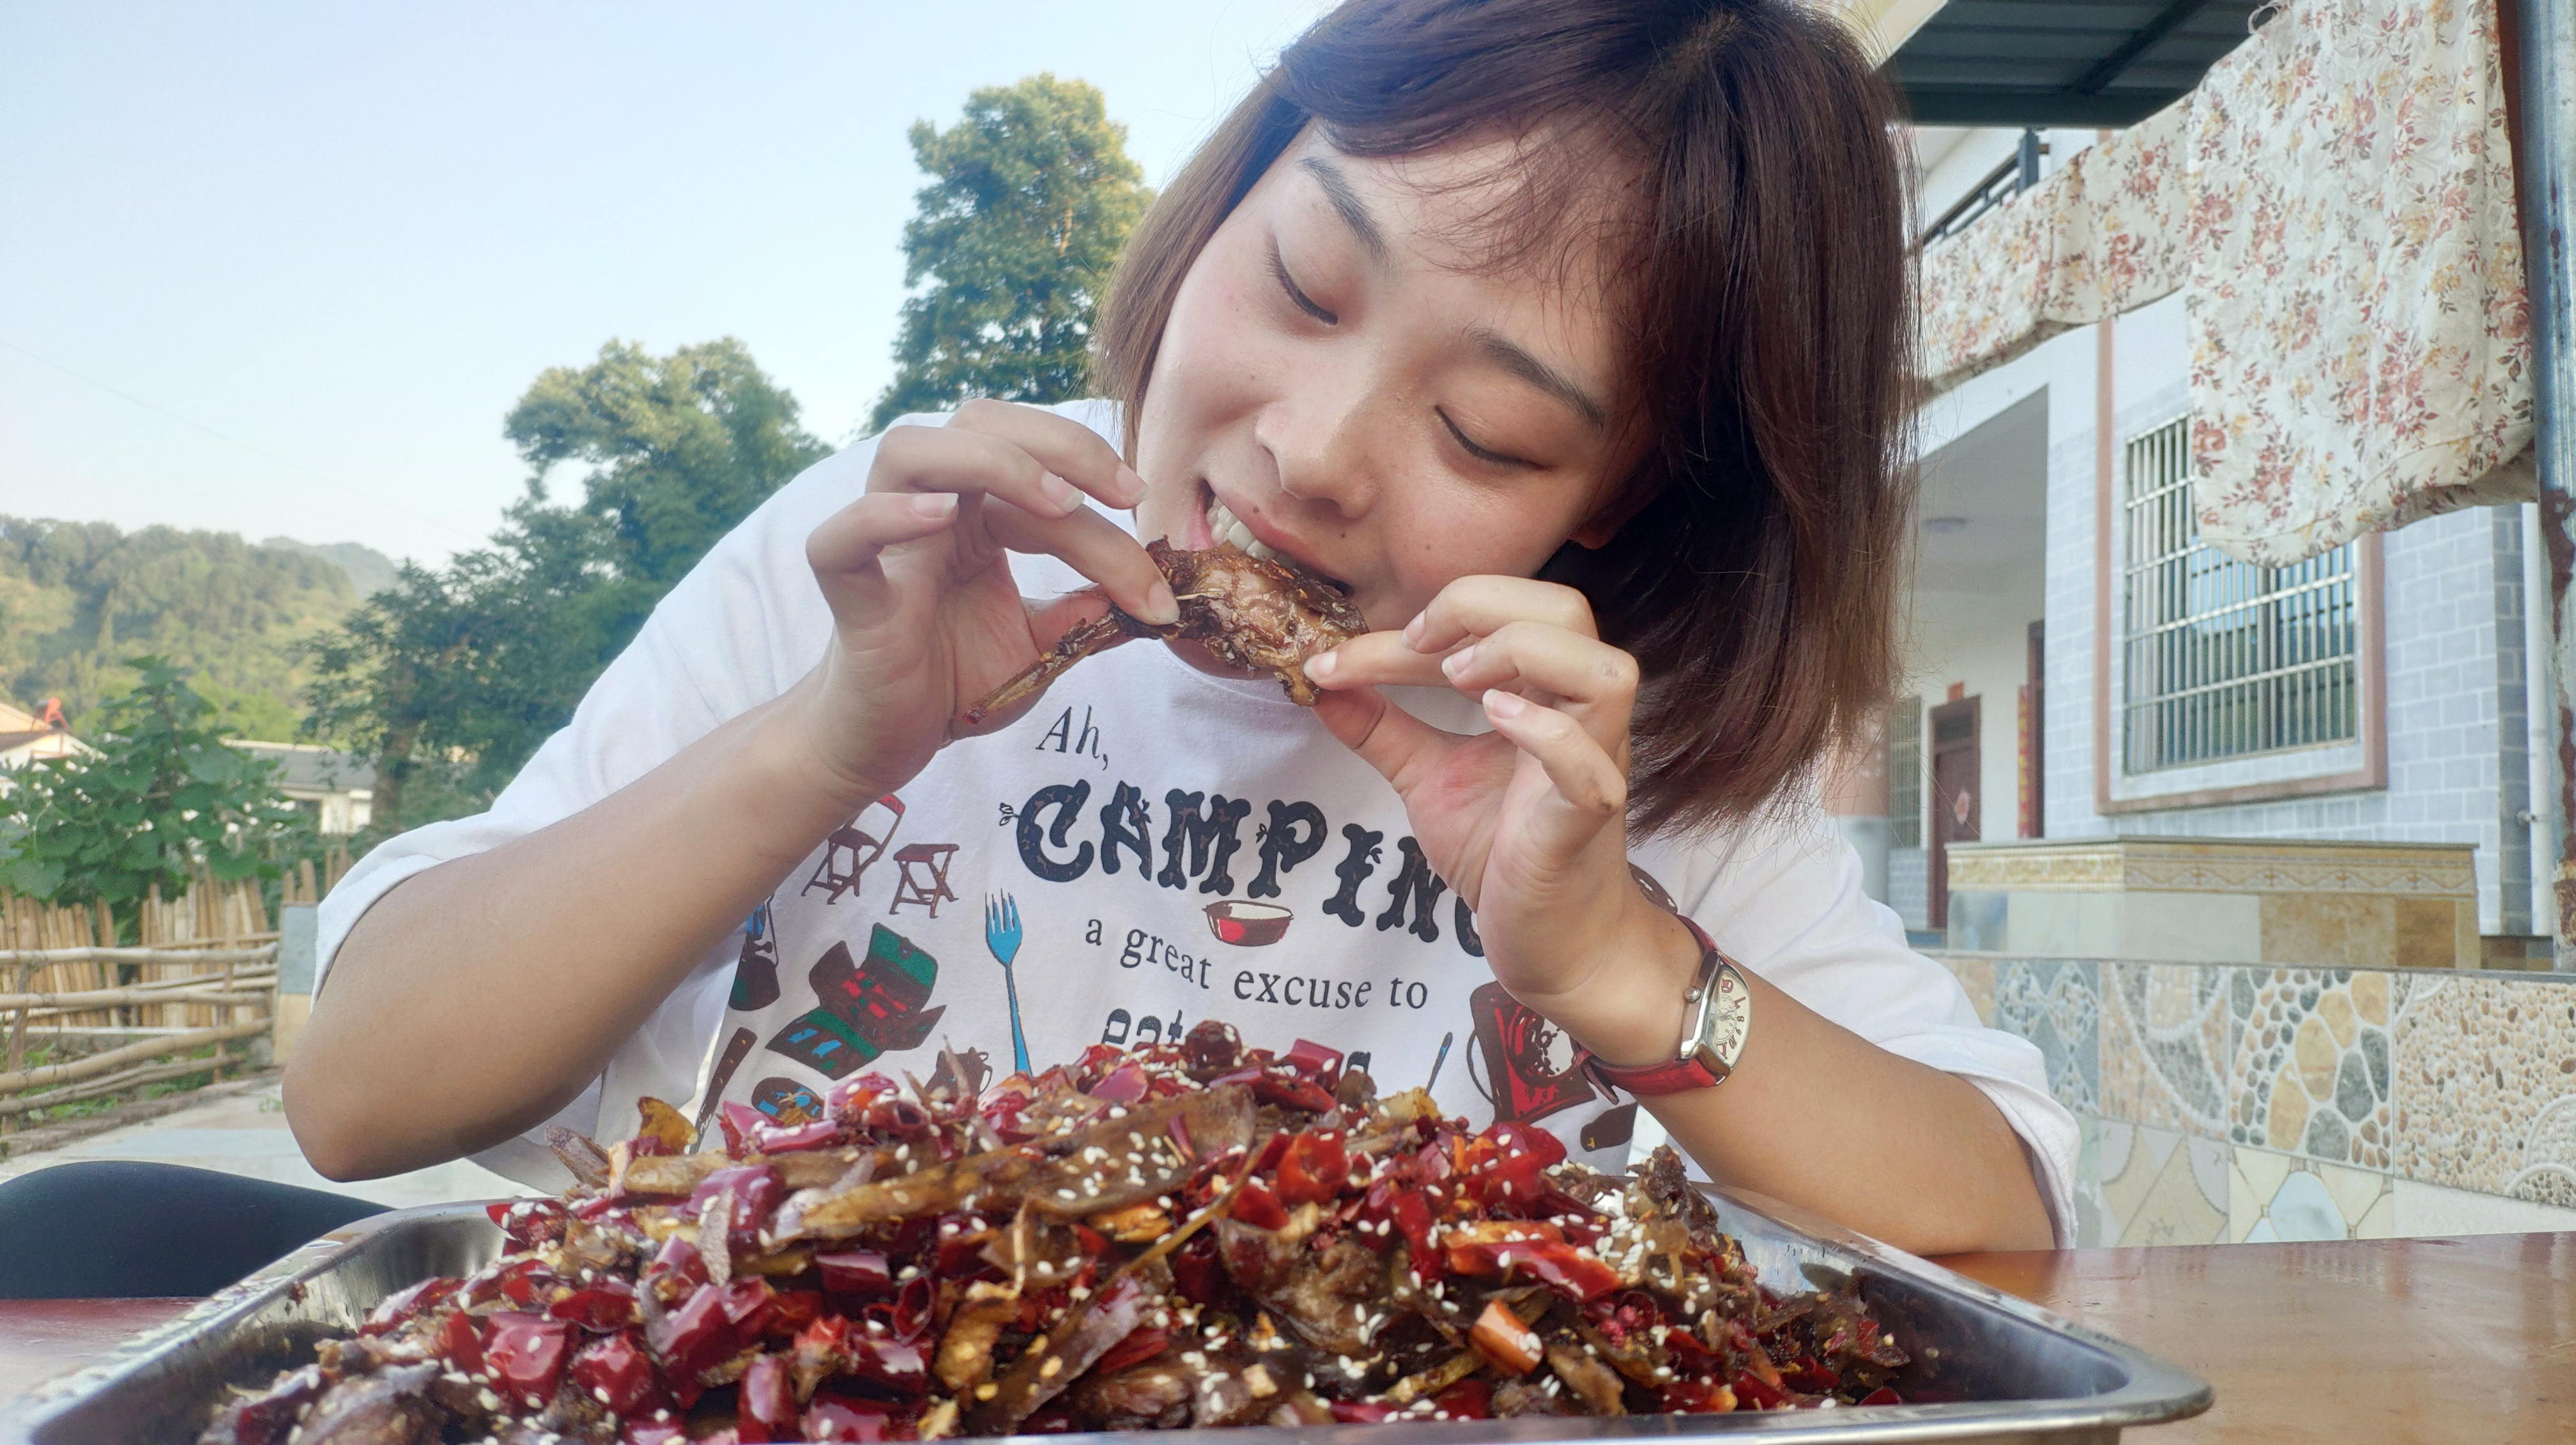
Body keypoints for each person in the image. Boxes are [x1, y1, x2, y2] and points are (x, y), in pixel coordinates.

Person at [283, 0, 2067, 1262]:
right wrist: (831, 738)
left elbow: (2005, 1211)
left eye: (1489, 435)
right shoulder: (898, 553)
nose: (1311, 452)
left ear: (1610, 495)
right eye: (1303, 283)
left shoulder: (1596, 748)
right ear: (1231, 190)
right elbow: (358, 1092)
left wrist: (1607, 951)